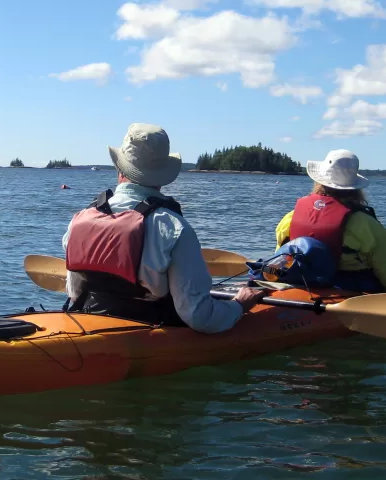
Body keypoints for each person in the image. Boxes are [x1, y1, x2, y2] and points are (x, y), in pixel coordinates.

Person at [62, 123, 266, 333]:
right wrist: (239, 305)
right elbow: (199, 316)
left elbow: (75, 293)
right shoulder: (173, 227)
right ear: (162, 175)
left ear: (119, 168)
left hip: (89, 323)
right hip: (152, 330)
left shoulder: (80, 219)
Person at [273, 149, 386, 293]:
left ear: (318, 182)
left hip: (299, 284)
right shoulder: (368, 226)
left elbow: (279, 261)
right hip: (348, 290)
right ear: (355, 188)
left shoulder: (290, 218)